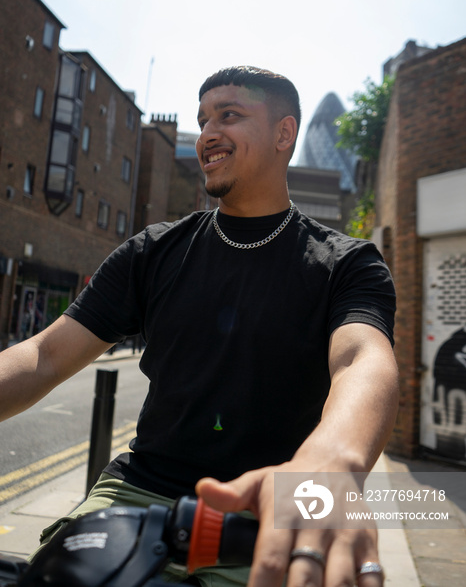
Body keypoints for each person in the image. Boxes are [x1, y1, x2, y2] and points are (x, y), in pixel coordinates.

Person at [0, 66, 398, 586]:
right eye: (203, 118)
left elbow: (361, 359)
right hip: (139, 495)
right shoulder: (152, 252)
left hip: (276, 509)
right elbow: (45, 356)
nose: (209, 132)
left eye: (229, 115)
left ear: (285, 133)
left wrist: (333, 461)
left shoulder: (347, 264)